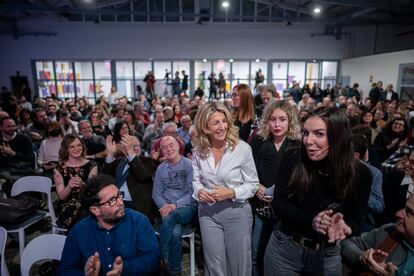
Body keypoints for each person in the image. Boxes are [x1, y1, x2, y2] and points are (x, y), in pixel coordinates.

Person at [263, 107, 372, 275]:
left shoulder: (360, 174)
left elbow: (355, 220)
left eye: (319, 134)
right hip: (285, 250)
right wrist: (312, 221)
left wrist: (344, 226)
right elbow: (279, 204)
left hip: (327, 255)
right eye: (306, 133)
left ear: (338, 137)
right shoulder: (292, 158)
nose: (308, 140)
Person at [192, 102, 259, 276]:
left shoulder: (242, 148)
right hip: (208, 213)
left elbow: (253, 184)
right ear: (204, 126)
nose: (222, 127)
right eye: (215, 123)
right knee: (214, 264)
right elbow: (195, 180)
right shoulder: (199, 150)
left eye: (224, 121)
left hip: (236, 212)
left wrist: (231, 192)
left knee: (238, 265)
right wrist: (199, 191)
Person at [57, 174, 160, 275]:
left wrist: (125, 268)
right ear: (95, 210)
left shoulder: (138, 221)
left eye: (119, 195)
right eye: (112, 200)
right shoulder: (79, 231)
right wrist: (85, 273)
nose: (120, 202)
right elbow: (65, 270)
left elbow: (153, 259)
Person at [249, 100, 300, 276]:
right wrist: (257, 186)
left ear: (290, 121)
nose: (277, 124)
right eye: (272, 119)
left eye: (282, 119)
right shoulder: (259, 141)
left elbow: (302, 178)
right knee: (256, 253)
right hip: (261, 208)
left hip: (285, 210)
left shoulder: (297, 144)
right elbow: (248, 170)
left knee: (277, 258)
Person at [152, 136, 196, 275]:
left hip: (187, 207)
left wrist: (174, 206)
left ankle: (160, 259)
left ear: (178, 146)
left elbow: (191, 193)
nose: (168, 149)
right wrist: (165, 206)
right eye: (164, 147)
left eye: (171, 145)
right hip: (167, 209)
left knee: (171, 218)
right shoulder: (160, 169)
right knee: (175, 233)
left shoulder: (189, 165)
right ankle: (175, 271)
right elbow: (156, 194)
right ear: (161, 151)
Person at [342, 197, 414, 276]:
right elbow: (347, 244)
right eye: (404, 208)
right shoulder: (389, 231)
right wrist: (363, 257)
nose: (398, 214)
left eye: (409, 212)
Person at [103, 134, 157, 223]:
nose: (135, 148)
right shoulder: (119, 161)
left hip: (135, 205)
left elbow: (142, 175)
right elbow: (105, 179)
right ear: (123, 149)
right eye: (131, 146)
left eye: (137, 146)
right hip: (115, 202)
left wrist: (131, 154)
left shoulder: (148, 161)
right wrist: (110, 155)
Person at [53, 134, 98, 229]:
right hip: (67, 205)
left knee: (88, 211)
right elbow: (61, 196)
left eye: (79, 145)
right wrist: (69, 186)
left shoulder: (92, 165)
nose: (76, 149)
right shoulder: (59, 168)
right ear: (66, 149)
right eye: (72, 147)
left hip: (86, 202)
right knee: (84, 214)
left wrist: (83, 186)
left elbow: (93, 193)